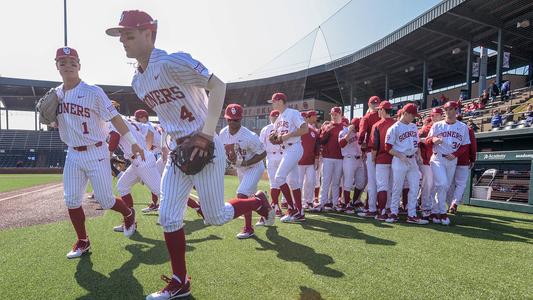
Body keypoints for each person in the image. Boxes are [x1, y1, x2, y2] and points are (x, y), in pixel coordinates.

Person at [106, 10, 274, 299]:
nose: (123, 40)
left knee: (216, 217)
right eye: (121, 35)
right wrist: (169, 143)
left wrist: (207, 133)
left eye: (129, 34)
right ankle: (180, 281)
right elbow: (169, 115)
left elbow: (218, 85)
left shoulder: (173, 61)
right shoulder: (137, 81)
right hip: (179, 151)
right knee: (169, 217)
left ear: (149, 33)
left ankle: (258, 201)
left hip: (206, 145)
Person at [52, 47, 143, 259]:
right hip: (73, 153)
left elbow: (115, 118)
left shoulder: (93, 91)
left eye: (72, 61)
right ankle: (83, 241)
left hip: (96, 151)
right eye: (63, 61)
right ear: (56, 65)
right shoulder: (55, 94)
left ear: (79, 65)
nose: (68, 65)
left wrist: (132, 142)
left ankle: (129, 214)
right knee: (72, 200)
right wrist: (49, 120)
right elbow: (54, 122)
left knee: (105, 200)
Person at [219, 104, 267, 239]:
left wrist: (245, 163)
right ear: (226, 119)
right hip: (241, 168)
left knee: (242, 194)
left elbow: (263, 153)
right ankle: (264, 209)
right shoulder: (223, 133)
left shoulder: (249, 136)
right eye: (230, 119)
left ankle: (248, 228)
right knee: (249, 197)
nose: (232, 122)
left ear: (241, 119)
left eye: (236, 119)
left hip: (254, 166)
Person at [108, 114, 161, 232]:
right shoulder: (127, 119)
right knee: (122, 186)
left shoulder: (112, 119)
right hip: (138, 160)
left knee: (161, 192)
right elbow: (148, 131)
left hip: (141, 160)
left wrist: (109, 154)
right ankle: (130, 222)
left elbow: (115, 136)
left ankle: (196, 208)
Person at [427, 101, 471, 225]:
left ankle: (434, 212)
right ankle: (442, 212)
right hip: (438, 158)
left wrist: (455, 155)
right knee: (442, 183)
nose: (448, 111)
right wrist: (434, 139)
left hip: (452, 160)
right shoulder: (437, 125)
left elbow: (465, 145)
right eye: (446, 109)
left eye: (451, 109)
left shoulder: (462, 127)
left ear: (456, 110)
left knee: (443, 187)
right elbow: (428, 140)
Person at [268, 92, 308, 222]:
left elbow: (305, 129)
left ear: (279, 101)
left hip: (294, 147)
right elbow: (274, 136)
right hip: (286, 150)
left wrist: (287, 136)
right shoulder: (278, 119)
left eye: (274, 102)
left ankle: (292, 210)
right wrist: (274, 137)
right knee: (293, 182)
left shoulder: (293, 113)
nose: (272, 104)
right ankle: (300, 212)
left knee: (279, 178)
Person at [385, 103, 428, 224]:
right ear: (405, 113)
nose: (414, 118)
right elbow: (387, 147)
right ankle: (393, 213)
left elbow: (416, 143)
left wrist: (418, 154)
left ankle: (412, 214)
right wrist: (399, 155)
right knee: (397, 187)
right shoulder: (394, 128)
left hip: (412, 160)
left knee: (414, 187)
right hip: (399, 160)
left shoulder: (414, 126)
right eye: (412, 115)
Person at [366, 100, 395, 221]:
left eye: (379, 109)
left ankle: (382, 211)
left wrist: (373, 159)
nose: (378, 111)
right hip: (395, 158)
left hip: (382, 159)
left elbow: (375, 146)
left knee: (382, 186)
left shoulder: (377, 125)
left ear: (383, 110)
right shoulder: (397, 123)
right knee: (392, 186)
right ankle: (390, 209)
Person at [311, 107, 344, 212]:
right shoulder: (327, 126)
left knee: (336, 182)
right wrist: (326, 132)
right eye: (332, 114)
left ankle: (335, 203)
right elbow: (320, 141)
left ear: (340, 114)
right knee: (325, 181)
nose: (334, 116)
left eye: (336, 114)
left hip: (339, 158)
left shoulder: (344, 127)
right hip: (328, 157)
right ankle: (322, 202)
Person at [357, 96, 381, 216]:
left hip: (371, 151)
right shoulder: (384, 117)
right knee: (382, 181)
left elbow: (361, 135)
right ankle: (382, 207)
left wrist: (361, 144)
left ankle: (370, 207)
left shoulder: (366, 117)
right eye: (374, 103)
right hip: (384, 153)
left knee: (372, 181)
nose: (375, 105)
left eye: (376, 104)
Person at [447, 117, 477, 214]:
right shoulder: (468, 129)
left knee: (450, 183)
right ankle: (454, 204)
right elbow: (473, 146)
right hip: (463, 159)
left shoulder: (448, 127)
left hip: (450, 159)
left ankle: (449, 204)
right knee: (461, 184)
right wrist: (472, 159)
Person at [259, 110, 284, 216]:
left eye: (277, 117)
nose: (275, 118)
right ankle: (276, 205)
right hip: (271, 156)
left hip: (282, 155)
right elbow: (260, 144)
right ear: (270, 117)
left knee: (282, 181)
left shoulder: (283, 127)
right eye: (274, 117)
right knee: (274, 182)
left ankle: (276, 203)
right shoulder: (266, 129)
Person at [338, 117, 365, 214]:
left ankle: (354, 201)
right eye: (357, 127)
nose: (358, 129)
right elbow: (341, 144)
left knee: (361, 182)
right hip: (349, 158)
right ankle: (346, 204)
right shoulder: (343, 132)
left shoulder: (358, 132)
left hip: (359, 159)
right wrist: (349, 132)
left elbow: (362, 145)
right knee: (348, 182)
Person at [298, 111, 319, 210]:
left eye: (304, 117)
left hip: (310, 161)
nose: (303, 119)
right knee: (298, 183)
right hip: (298, 162)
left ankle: (309, 201)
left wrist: (317, 158)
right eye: (301, 118)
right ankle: (298, 202)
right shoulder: (296, 131)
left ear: (307, 118)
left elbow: (316, 146)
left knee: (311, 182)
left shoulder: (313, 131)